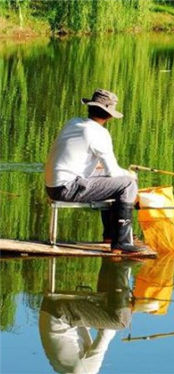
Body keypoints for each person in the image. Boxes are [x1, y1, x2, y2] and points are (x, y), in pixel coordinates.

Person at [44, 89, 144, 253]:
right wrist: (130, 174)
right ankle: (122, 242)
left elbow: (85, 161)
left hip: (53, 185)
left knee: (114, 182)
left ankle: (111, 235)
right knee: (128, 184)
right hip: (67, 188)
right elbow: (113, 172)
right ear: (109, 115)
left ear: (89, 108)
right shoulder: (99, 134)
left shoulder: (73, 122)